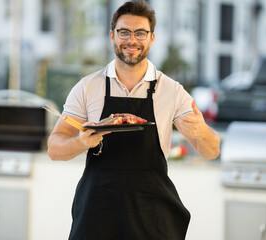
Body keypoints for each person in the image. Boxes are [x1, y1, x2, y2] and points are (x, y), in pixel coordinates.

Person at [47, 0, 220, 239]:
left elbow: (211, 152)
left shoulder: (171, 91)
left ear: (152, 38)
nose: (132, 40)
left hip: (151, 214)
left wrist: (201, 131)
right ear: (112, 36)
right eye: (124, 32)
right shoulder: (87, 88)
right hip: (97, 213)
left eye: (140, 33)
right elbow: (55, 149)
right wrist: (81, 142)